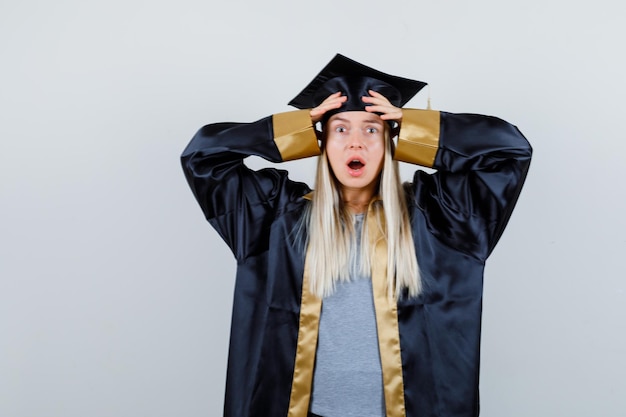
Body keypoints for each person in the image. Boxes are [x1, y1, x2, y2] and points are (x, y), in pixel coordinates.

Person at [181, 54, 532, 417]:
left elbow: (510, 153)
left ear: (390, 141)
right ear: (322, 143)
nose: (355, 144)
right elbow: (202, 157)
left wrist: (414, 126)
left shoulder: (440, 220)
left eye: (371, 129)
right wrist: (297, 128)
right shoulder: (275, 218)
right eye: (340, 129)